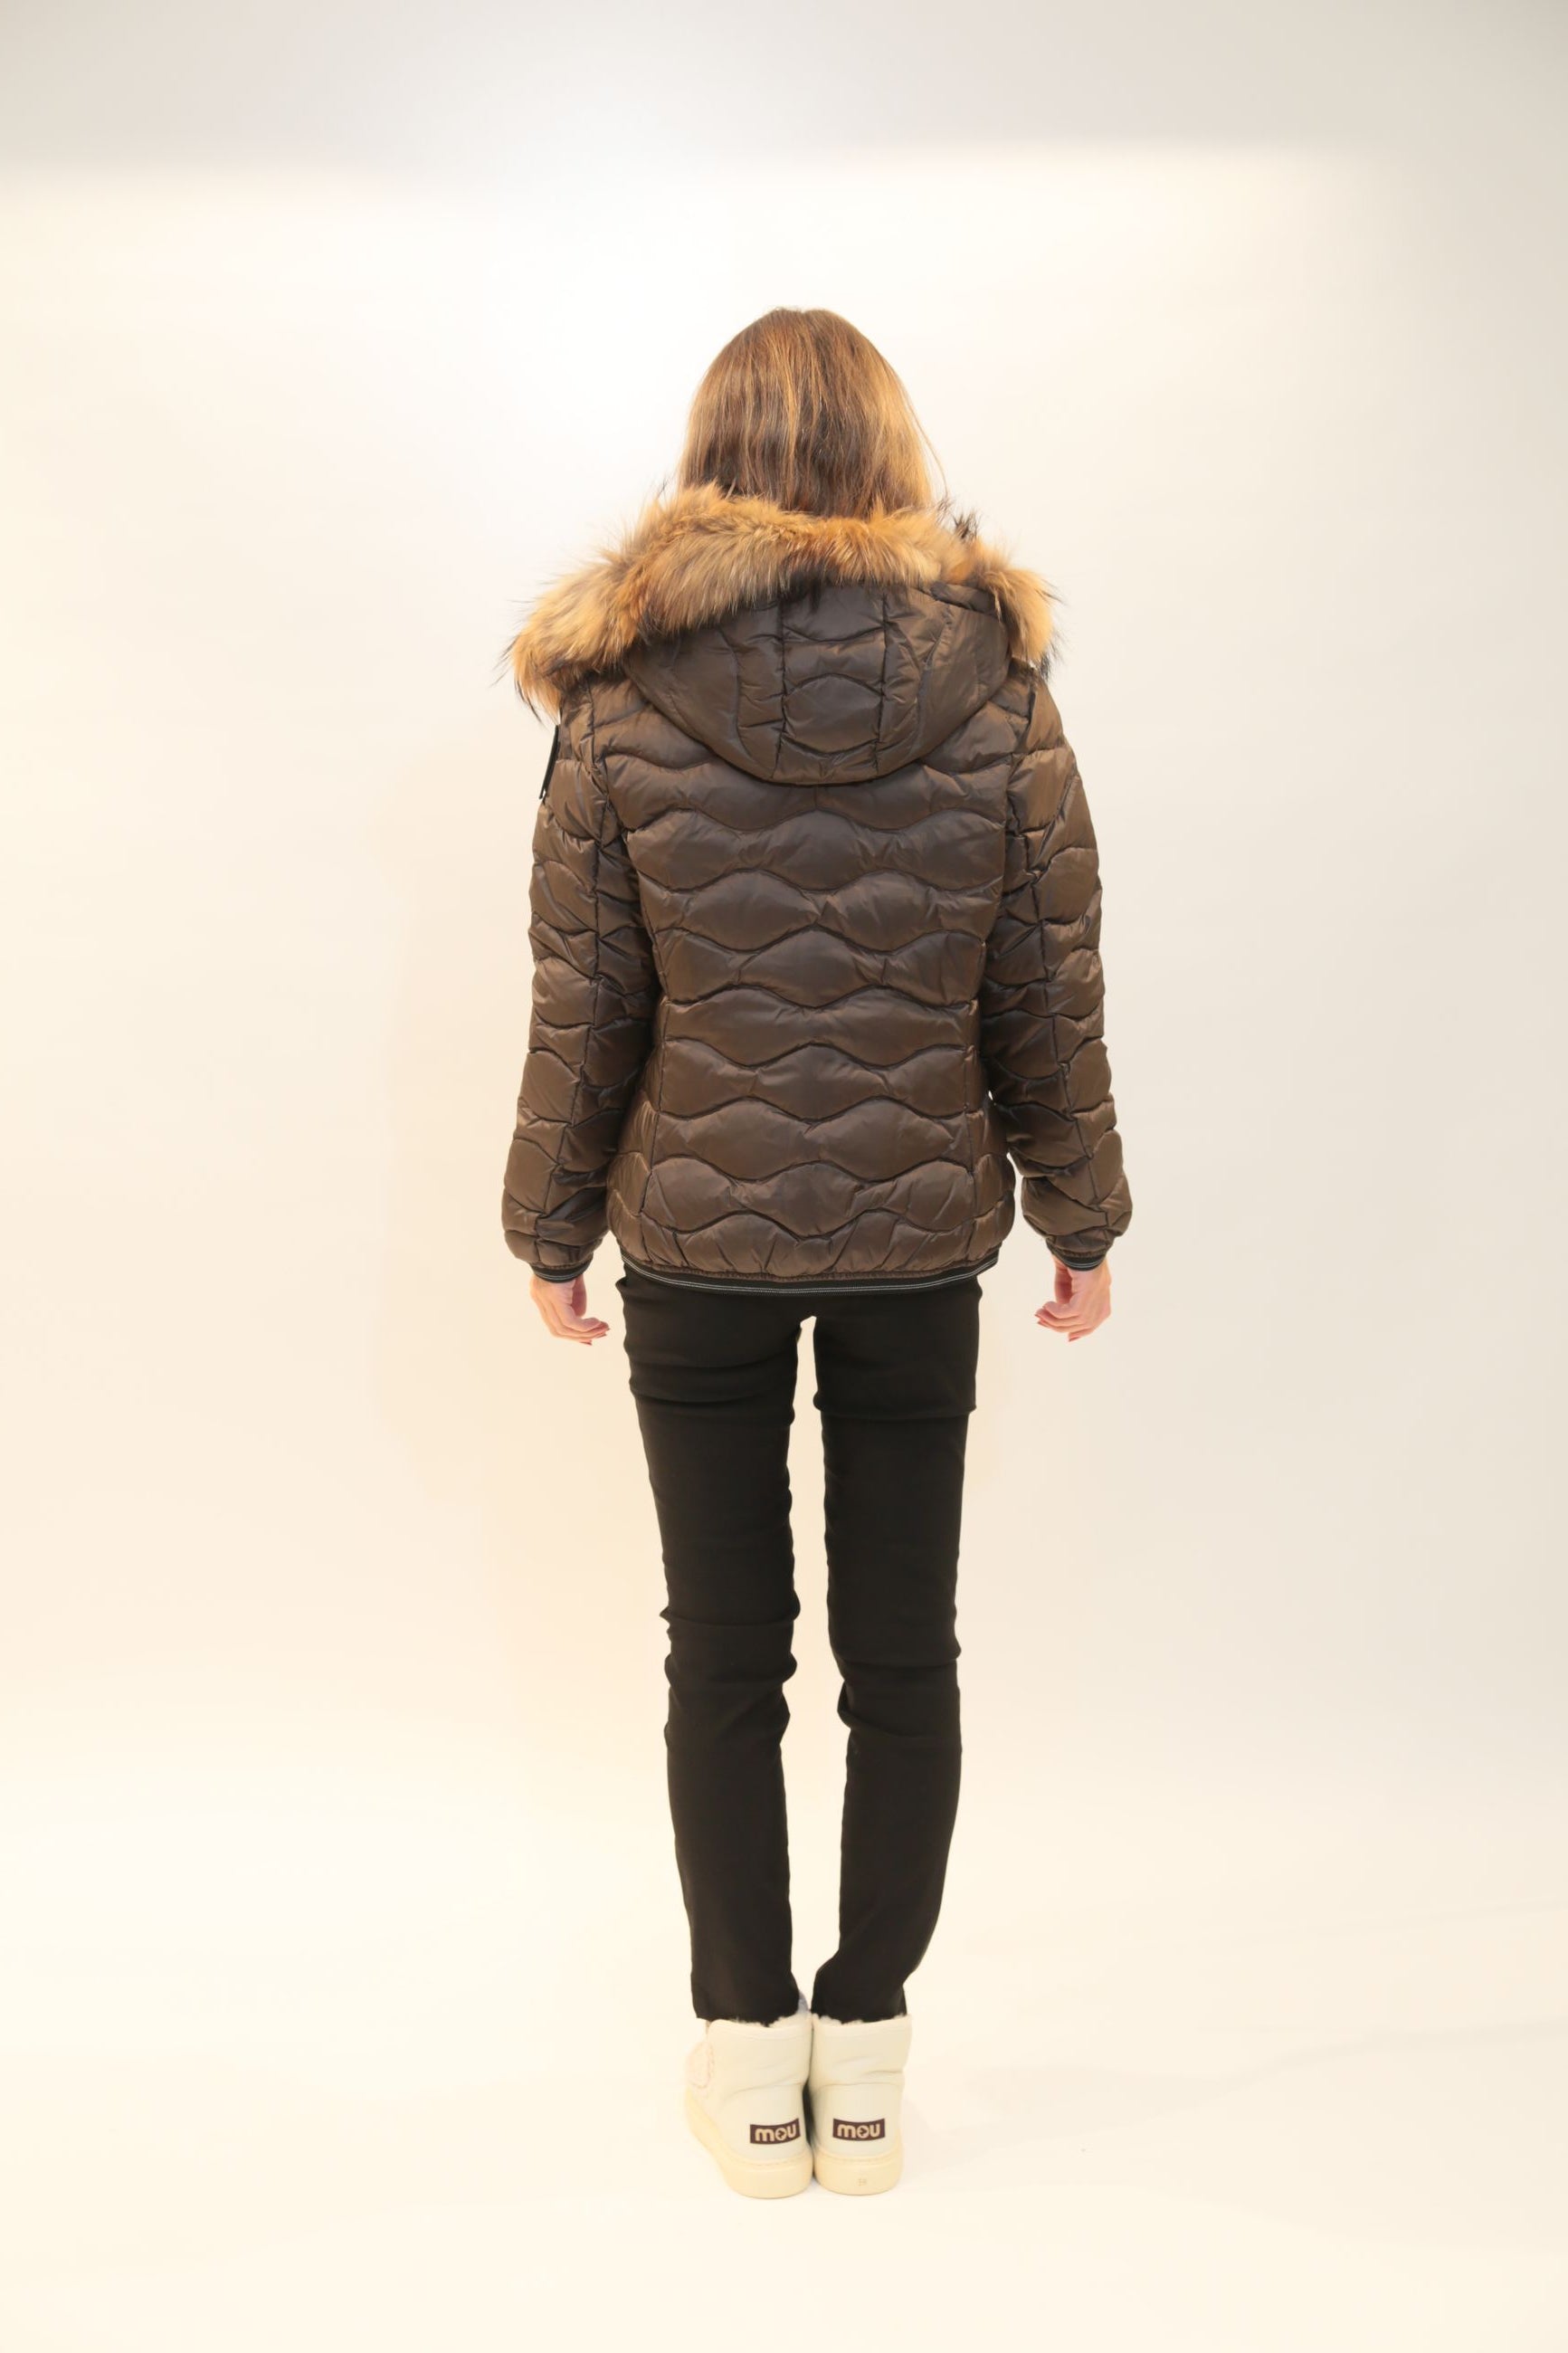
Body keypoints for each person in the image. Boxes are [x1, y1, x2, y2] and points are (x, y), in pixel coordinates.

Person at [501, 308, 1132, 2198]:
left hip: (694, 1245)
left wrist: (549, 1222)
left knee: (724, 1655)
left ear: (716, 458)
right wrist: (1081, 1211)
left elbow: (585, 1004)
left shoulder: (620, 693)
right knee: (902, 1654)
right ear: (889, 452)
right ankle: (866, 2065)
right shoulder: (999, 685)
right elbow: (1047, 984)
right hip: (916, 1244)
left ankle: (748, 2067)